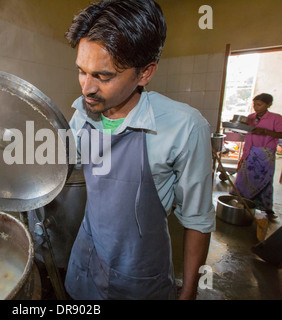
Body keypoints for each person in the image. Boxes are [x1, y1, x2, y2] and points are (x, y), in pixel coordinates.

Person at [63, 0, 215, 300]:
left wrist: (188, 293)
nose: (86, 88)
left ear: (145, 73)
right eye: (82, 71)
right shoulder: (82, 113)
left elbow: (197, 220)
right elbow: (67, 164)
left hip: (140, 277)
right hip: (86, 263)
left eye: (103, 76)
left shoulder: (183, 127)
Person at [231, 93, 282, 222]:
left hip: (265, 155)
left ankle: (267, 209)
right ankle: (242, 204)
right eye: (254, 104)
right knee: (243, 179)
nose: (256, 107)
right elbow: (247, 135)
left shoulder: (276, 118)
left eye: (259, 104)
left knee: (265, 182)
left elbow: (280, 133)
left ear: (268, 105)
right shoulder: (250, 118)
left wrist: (265, 132)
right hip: (250, 153)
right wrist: (244, 155)